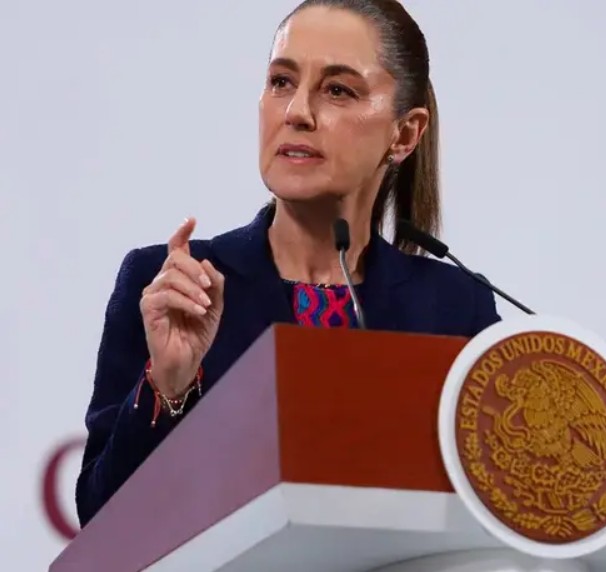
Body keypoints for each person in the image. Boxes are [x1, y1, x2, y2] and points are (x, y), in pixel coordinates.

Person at [75, 0, 500, 528]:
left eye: (338, 89)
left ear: (405, 134)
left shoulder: (456, 311)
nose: (297, 111)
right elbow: (99, 523)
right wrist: (167, 386)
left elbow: (496, 510)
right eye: (281, 81)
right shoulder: (173, 286)